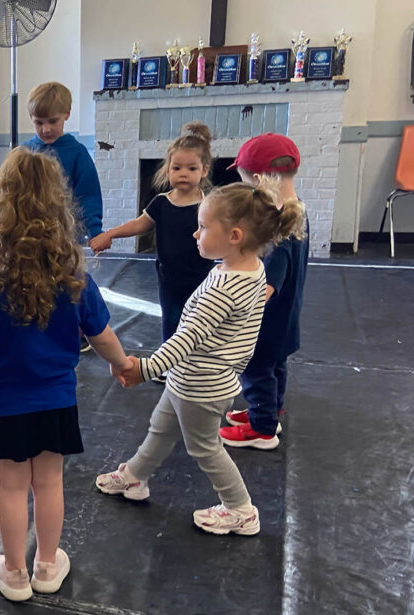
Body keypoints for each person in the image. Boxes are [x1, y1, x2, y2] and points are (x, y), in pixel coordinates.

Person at [0, 149, 130, 603]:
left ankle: (14, 572)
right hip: (55, 403)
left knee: (11, 487)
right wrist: (122, 364)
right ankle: (47, 564)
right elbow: (104, 335)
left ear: (2, 209)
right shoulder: (74, 277)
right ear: (58, 207)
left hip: (3, 406)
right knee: (49, 482)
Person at [96, 182, 305, 536]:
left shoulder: (225, 289)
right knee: (160, 430)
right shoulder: (248, 268)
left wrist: (143, 370)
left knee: (205, 448)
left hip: (201, 385)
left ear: (235, 235)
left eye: (204, 227)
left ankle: (241, 509)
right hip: (191, 379)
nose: (195, 233)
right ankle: (134, 477)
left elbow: (186, 339)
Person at [89, 122, 216, 355]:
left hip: (203, 278)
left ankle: (198, 363)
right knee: (172, 319)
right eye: (177, 168)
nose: (183, 174)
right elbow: (139, 224)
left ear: (204, 170)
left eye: (191, 168)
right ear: (168, 170)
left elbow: (222, 234)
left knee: (201, 322)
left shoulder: (209, 204)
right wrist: (110, 234)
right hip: (170, 279)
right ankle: (171, 362)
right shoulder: (162, 202)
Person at [218, 134, 309, 450]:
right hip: (287, 318)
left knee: (257, 372)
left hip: (266, 323)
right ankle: (271, 409)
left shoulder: (277, 231)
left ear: (258, 181)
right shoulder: (297, 213)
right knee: (275, 367)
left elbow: (266, 286)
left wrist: (234, 313)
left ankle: (262, 428)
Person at [23, 82, 103, 353]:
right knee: (32, 278)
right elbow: (11, 190)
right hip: (30, 233)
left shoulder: (77, 152)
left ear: (67, 114)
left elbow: (89, 193)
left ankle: (76, 329)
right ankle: (35, 324)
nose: (45, 129)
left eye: (52, 121)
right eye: (39, 122)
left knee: (67, 280)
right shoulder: (25, 152)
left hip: (64, 233)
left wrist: (95, 230)